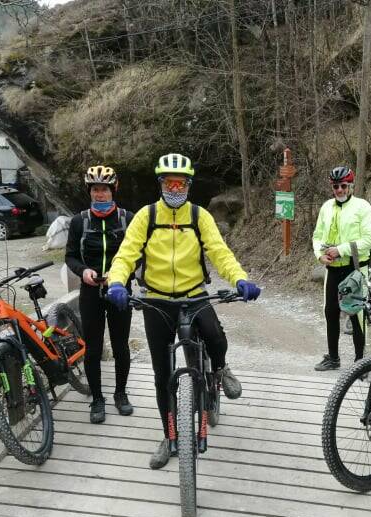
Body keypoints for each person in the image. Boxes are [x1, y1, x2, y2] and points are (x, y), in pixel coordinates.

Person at [105, 153, 261, 470]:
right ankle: (169, 436)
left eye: (180, 182)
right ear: (161, 183)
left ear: (188, 184)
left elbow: (220, 252)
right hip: (157, 300)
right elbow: (125, 255)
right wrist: (117, 283)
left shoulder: (199, 216)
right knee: (163, 376)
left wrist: (240, 278)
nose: (174, 188)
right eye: (168, 182)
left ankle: (220, 369)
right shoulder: (146, 217)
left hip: (193, 294)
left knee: (215, 336)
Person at [64, 165, 134, 424]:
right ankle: (97, 399)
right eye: (95, 189)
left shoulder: (127, 218)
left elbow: (137, 252)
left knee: (121, 346)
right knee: (92, 348)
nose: (100, 194)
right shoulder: (79, 221)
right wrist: (83, 271)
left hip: (119, 291)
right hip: (90, 291)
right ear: (89, 192)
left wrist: (121, 275)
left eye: (104, 189)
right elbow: (70, 255)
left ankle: (120, 394)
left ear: (113, 190)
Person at [311, 166, 371, 371]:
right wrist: (319, 255)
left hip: (355, 268)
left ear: (351, 186)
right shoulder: (326, 207)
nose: (339, 190)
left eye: (343, 186)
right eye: (335, 186)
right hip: (333, 269)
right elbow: (317, 236)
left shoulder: (362, 207)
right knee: (330, 312)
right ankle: (333, 357)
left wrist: (340, 250)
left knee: (357, 314)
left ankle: (360, 362)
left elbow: (369, 240)